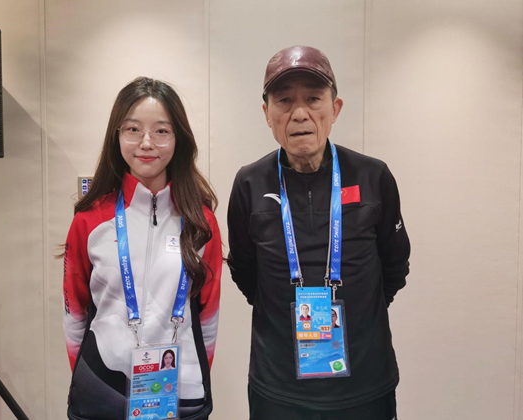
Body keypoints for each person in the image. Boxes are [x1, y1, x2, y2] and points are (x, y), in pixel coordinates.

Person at [227, 46, 410, 420]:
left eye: (313, 99)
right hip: (278, 388)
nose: (299, 114)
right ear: (267, 114)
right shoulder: (249, 183)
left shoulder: (373, 176)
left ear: (335, 109)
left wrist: (358, 316)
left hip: (365, 384)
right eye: (284, 101)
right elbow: (245, 273)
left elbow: (395, 267)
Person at [63, 77, 222, 420]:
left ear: (178, 139)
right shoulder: (89, 220)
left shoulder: (202, 223)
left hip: (178, 391)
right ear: (117, 135)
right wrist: (86, 375)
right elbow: (74, 311)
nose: (146, 142)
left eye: (161, 131)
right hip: (102, 388)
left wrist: (192, 374)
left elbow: (209, 315)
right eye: (133, 129)